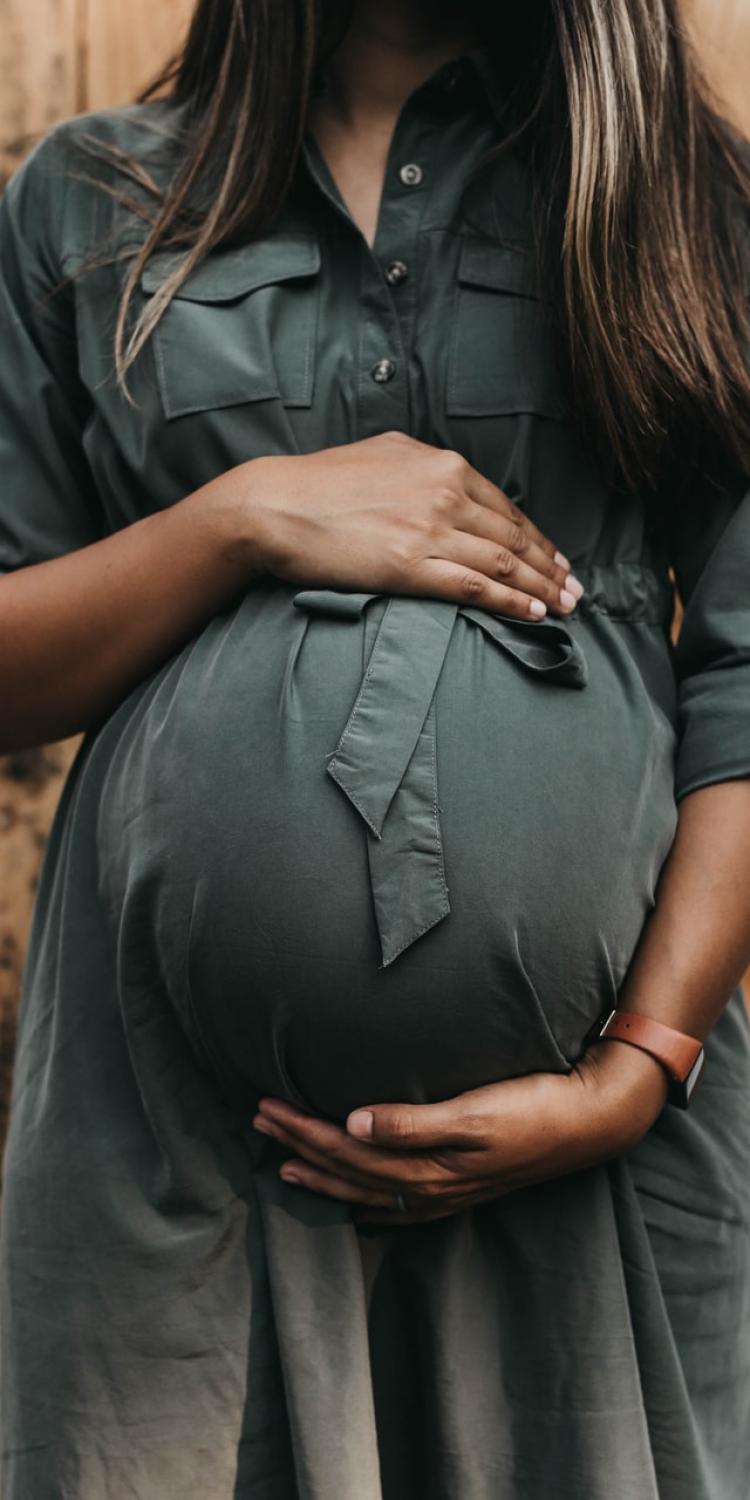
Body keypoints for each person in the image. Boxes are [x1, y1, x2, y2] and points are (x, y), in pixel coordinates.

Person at [1, 0, 750, 1495]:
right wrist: (237, 519)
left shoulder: (682, 201)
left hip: (601, 1149)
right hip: (172, 1155)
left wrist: (633, 1068)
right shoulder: (85, 196)